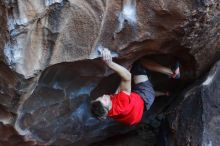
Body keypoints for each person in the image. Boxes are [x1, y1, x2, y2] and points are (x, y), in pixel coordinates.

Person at [90, 48, 180, 125]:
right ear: (108, 107)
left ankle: (165, 93)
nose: (104, 95)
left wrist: (123, 78)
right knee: (138, 65)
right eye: (104, 99)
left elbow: (117, 94)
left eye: (100, 97)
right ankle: (172, 73)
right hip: (144, 95)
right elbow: (128, 77)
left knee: (142, 95)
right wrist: (109, 63)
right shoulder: (122, 103)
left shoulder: (109, 112)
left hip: (141, 108)